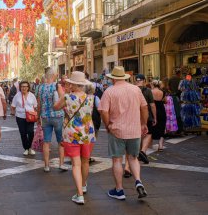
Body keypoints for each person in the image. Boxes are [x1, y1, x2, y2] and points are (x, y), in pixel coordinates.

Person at [98, 66, 148, 200]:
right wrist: (143, 123)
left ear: (113, 78)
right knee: (133, 158)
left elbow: (103, 111)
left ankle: (119, 190)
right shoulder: (136, 89)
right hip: (134, 130)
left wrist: (108, 125)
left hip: (117, 130)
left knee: (117, 160)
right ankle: (138, 181)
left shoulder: (109, 91)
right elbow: (144, 107)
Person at [53, 72, 96, 205]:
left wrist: (64, 92)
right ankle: (83, 185)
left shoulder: (67, 97)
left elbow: (55, 107)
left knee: (75, 164)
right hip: (88, 133)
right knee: (85, 162)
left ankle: (79, 194)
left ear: (72, 84)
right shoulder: (90, 97)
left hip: (72, 134)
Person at [37, 67, 68, 172]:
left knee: (46, 141)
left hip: (45, 116)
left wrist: (38, 116)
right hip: (58, 116)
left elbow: (39, 104)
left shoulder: (40, 87)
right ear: (54, 75)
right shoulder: (56, 86)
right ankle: (61, 164)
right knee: (60, 141)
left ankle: (46, 166)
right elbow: (63, 100)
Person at [11, 81, 38, 156]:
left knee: (30, 132)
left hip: (30, 117)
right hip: (20, 116)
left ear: (28, 87)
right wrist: (12, 112)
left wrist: (38, 115)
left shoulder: (32, 95)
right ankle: (26, 148)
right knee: (23, 133)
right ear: (20, 87)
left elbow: (35, 106)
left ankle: (30, 147)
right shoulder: (17, 96)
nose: (24, 88)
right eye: (22, 86)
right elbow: (13, 106)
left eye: (25, 86)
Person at [136, 74, 156, 164]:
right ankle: (143, 151)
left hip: (135, 116)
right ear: (144, 81)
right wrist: (155, 117)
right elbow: (152, 105)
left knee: (138, 134)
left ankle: (138, 153)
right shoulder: (148, 90)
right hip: (146, 115)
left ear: (136, 80)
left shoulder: (132, 90)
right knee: (149, 133)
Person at [149, 79, 167, 151]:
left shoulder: (150, 91)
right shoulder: (163, 92)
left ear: (152, 84)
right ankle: (160, 146)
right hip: (161, 110)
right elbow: (166, 101)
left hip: (152, 110)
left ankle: (149, 144)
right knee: (162, 126)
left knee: (151, 126)